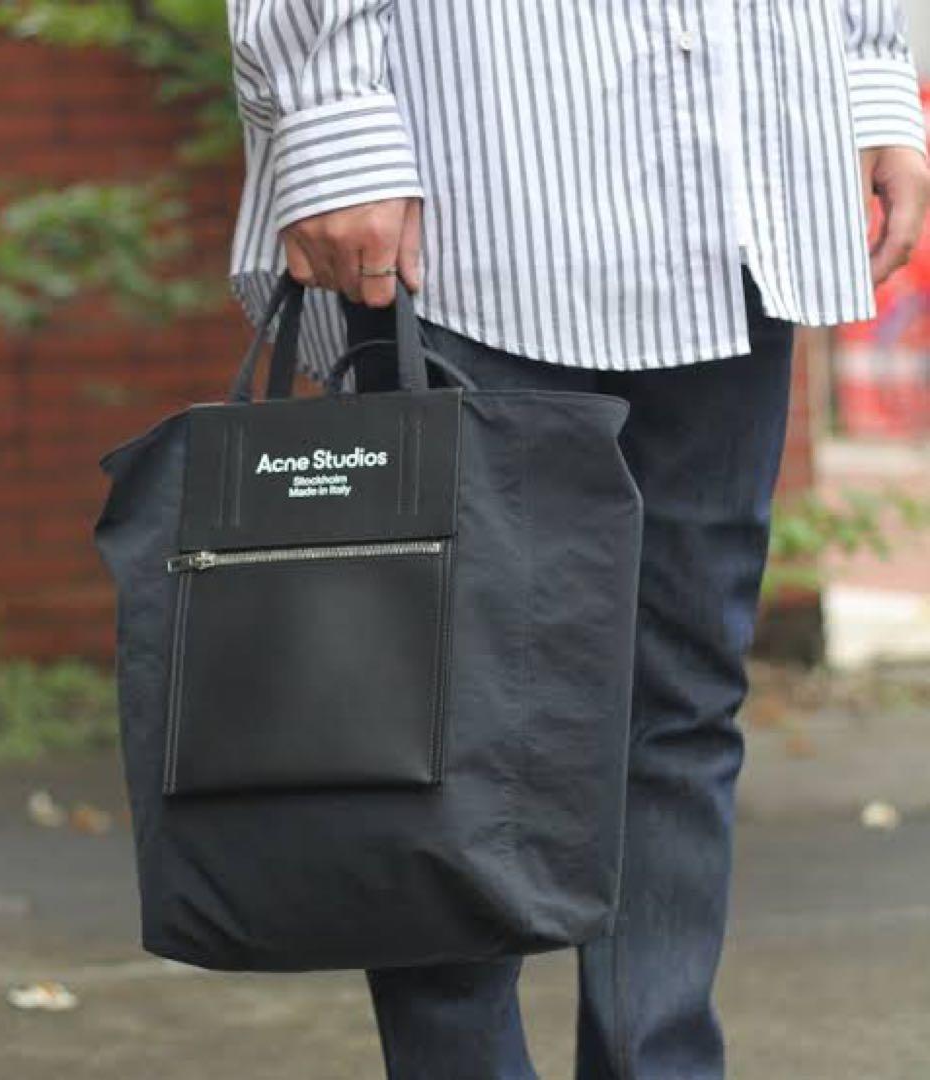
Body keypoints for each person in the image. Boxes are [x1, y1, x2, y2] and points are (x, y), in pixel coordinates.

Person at [223, 2, 929, 1077]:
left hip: (742, 184)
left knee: (683, 697)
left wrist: (871, 77)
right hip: (475, 191)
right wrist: (331, 112)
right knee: (438, 716)